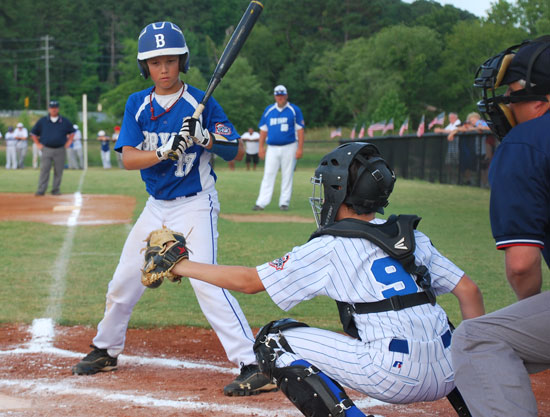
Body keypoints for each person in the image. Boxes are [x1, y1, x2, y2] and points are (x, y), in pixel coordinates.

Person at [159, 142, 485, 417]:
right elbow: (469, 291)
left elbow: (249, 282)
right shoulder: (412, 236)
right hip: (449, 371)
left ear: (338, 191)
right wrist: (474, 366)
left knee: (273, 340)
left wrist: (180, 264)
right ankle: (480, 409)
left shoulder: (330, 247)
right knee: (440, 324)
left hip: (392, 375)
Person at [71, 21, 276, 398]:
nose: (163, 69)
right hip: (155, 206)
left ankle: (254, 364)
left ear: (182, 62)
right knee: (123, 282)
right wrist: (164, 151)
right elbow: (129, 159)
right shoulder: (138, 104)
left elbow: (236, 149)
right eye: (154, 62)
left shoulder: (200, 101)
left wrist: (205, 137)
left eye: (170, 61)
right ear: (144, 67)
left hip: (196, 203)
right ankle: (106, 349)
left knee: (206, 281)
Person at [451, 36, 550, 417]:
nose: (507, 104)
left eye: (513, 93)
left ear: (540, 99)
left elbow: (522, 264)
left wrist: (532, 310)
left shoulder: (526, 141)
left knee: (478, 339)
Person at [252, 84, 305, 211]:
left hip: (289, 146)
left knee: (287, 174)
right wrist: (260, 147)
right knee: (268, 174)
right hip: (272, 147)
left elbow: (300, 130)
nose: (280, 98)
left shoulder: (294, 110)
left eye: (282, 95)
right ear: (275, 96)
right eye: (278, 96)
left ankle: (284, 202)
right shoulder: (269, 110)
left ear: (286, 96)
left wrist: (300, 148)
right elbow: (263, 130)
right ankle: (261, 202)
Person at [31, 100, 75, 196]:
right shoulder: (43, 121)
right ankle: (41, 189)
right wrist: (38, 144)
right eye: (52, 108)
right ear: (49, 109)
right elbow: (33, 133)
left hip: (60, 149)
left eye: (55, 108)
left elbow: (72, 132)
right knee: (44, 169)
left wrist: (69, 141)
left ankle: (55, 190)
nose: (54, 109)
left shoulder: (64, 121)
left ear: (58, 109)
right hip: (46, 149)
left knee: (58, 171)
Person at [447, 112, 493, 186]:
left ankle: (488, 183)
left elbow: (489, 128)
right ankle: (483, 183)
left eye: (473, 120)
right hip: (478, 151)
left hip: (487, 149)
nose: (471, 122)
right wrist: (452, 133)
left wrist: (478, 128)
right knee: (481, 168)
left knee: (487, 167)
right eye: (470, 120)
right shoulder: (472, 127)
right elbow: (460, 128)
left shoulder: (482, 123)